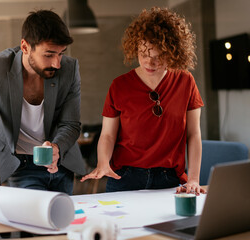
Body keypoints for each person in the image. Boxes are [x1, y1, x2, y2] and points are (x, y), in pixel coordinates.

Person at [81, 7, 206, 195]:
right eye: (143, 54)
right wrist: (103, 163)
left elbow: (193, 135)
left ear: (172, 52)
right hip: (124, 177)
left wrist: (194, 179)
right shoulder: (119, 85)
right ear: (135, 47)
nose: (149, 62)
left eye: (158, 57)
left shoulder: (186, 82)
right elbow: (107, 135)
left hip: (169, 178)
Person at [0, 10, 86, 195]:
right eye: (49, 54)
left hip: (60, 165)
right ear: (25, 47)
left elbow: (70, 124)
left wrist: (56, 148)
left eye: (60, 54)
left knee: (63, 222)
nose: (57, 63)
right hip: (20, 166)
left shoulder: (70, 68)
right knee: (31, 222)